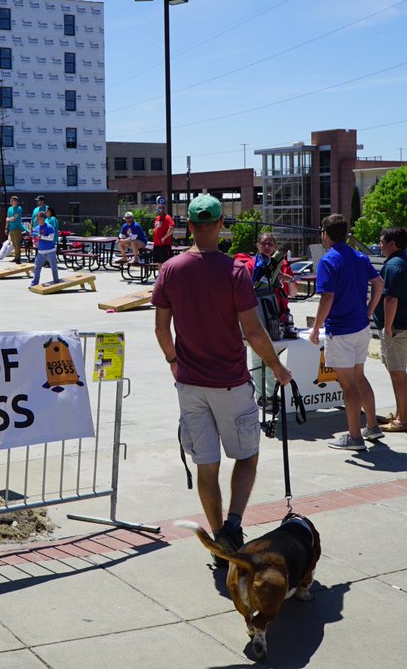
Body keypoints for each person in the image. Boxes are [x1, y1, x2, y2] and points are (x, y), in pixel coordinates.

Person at [153, 194, 293, 562]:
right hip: (230, 382)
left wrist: (173, 361)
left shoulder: (170, 269)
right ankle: (233, 525)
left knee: (206, 464)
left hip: (190, 383)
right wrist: (277, 368)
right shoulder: (235, 272)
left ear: (190, 227)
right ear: (220, 225)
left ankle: (219, 539)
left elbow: (162, 329)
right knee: (246, 456)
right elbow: (253, 332)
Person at [310, 213, 385, 452]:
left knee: (348, 385)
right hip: (360, 327)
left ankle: (354, 437)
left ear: (325, 234)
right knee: (359, 377)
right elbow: (379, 283)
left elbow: (327, 297)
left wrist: (316, 328)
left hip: (341, 330)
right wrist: (369, 310)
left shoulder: (328, 260)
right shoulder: (359, 256)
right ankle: (372, 426)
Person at [374, 227, 407, 433]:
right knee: (396, 372)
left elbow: (391, 299)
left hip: (397, 328)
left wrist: (388, 327)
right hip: (403, 325)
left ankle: (403, 420)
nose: (380, 246)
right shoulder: (402, 261)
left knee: (398, 374)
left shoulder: (393, 266)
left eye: (382, 242)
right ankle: (399, 414)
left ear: (392, 243)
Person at [249, 232, 294, 399]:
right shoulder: (250, 266)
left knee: (273, 359)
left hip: (279, 319)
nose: (267, 247)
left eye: (270, 244)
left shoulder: (282, 265)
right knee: (258, 359)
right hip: (259, 319)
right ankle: (262, 396)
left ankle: (270, 395)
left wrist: (289, 280)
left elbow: (293, 293)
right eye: (264, 244)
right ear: (257, 245)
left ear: (275, 247)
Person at [29, 209, 60, 287]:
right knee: (36, 268)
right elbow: (34, 237)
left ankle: (56, 281)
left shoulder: (49, 227)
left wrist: (41, 237)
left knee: (53, 267)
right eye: (37, 219)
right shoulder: (36, 228)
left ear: (43, 218)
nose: (37, 220)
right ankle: (34, 283)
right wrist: (34, 242)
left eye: (38, 219)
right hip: (40, 251)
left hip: (50, 251)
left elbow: (51, 238)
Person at [152, 197, 175, 264]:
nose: (159, 210)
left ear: (164, 209)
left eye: (160, 209)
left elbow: (172, 228)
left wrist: (164, 237)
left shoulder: (167, 218)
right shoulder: (157, 218)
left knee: (165, 263)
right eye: (158, 209)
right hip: (156, 245)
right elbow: (157, 228)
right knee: (158, 263)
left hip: (164, 245)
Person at [5, 195, 25, 264]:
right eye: (11, 200)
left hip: (17, 228)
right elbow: (7, 218)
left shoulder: (19, 208)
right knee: (14, 244)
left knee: (17, 243)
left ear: (16, 201)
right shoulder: (9, 208)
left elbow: (14, 218)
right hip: (11, 228)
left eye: (13, 200)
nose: (11, 202)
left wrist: (8, 219)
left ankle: (18, 258)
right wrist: (6, 228)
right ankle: (16, 257)